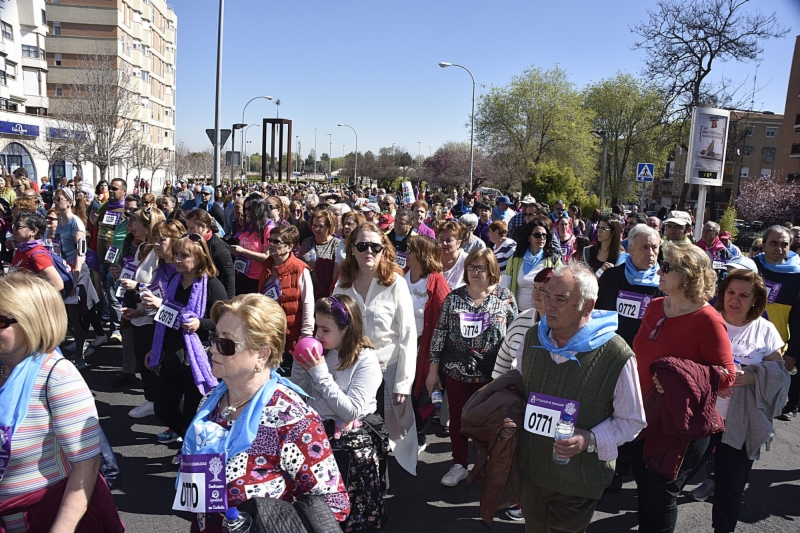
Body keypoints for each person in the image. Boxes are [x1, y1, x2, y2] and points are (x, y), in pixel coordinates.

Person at [183, 294, 349, 532]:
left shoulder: (291, 418)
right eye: (213, 338)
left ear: (261, 354)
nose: (212, 350)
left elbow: (334, 503)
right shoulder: (210, 403)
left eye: (226, 344)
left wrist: (271, 521)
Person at [514, 263, 646, 531]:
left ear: (588, 306)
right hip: (530, 473)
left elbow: (632, 420)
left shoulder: (615, 353)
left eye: (560, 299)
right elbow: (517, 391)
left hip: (578, 481)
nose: (549, 305)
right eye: (547, 295)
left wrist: (590, 439)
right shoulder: (532, 338)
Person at [0, 273, 124, 532]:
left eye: (0, 320)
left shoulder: (57, 377)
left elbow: (87, 467)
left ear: (31, 321)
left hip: (43, 518)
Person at [631, 242, 736, 533]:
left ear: (688, 276)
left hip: (679, 423)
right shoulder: (654, 306)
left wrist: (679, 376)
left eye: (666, 267)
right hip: (642, 413)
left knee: (662, 491)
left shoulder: (708, 320)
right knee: (644, 484)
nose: (659, 271)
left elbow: (727, 376)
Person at [687, 269, 789, 532]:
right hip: (699, 417)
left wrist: (754, 377)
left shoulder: (764, 330)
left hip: (740, 424)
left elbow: (780, 374)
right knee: (675, 476)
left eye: (744, 295)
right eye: (731, 292)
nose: (735, 300)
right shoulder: (707, 320)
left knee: (730, 488)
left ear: (756, 299)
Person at [290, 295, 386, 531]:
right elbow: (302, 397)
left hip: (350, 451)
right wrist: (301, 367)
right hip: (318, 441)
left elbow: (351, 410)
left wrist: (320, 372)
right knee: (319, 514)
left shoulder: (366, 360)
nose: (318, 335)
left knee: (350, 516)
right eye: (316, 328)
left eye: (325, 329)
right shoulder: (323, 351)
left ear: (346, 329)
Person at [428, 249, 517, 487]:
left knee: (491, 420)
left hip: (494, 372)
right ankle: (459, 463)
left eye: (482, 268)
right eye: (472, 267)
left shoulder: (505, 297)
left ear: (492, 271)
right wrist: (433, 370)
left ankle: (487, 463)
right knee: (458, 418)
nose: (476, 272)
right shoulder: (454, 298)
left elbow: (516, 336)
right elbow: (439, 334)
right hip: (458, 370)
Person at [334, 222, 418, 475]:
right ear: (352, 249)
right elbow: (336, 328)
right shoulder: (343, 283)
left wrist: (403, 383)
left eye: (375, 246)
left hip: (386, 370)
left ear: (384, 249)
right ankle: (367, 482)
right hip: (353, 371)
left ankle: (380, 481)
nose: (368, 251)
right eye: (362, 246)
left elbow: (407, 335)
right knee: (356, 429)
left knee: (386, 430)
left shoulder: (395, 283)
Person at [145, 233, 228, 465]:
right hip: (172, 352)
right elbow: (165, 318)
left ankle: (190, 449)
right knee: (162, 408)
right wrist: (155, 350)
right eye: (177, 254)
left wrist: (201, 323)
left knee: (193, 409)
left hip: (197, 356)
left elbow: (224, 319)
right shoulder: (173, 281)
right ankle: (190, 438)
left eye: (185, 255)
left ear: (199, 257)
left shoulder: (212, 284)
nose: (178, 259)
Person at [117, 207, 167, 417]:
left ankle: (158, 402)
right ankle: (151, 399)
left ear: (147, 226)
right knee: (141, 357)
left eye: (135, 221)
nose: (131, 225)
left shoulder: (158, 254)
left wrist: (136, 288)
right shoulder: (140, 248)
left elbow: (157, 288)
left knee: (151, 361)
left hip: (151, 316)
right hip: (139, 312)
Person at [405, 235, 451, 452]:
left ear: (422, 255)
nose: (407, 252)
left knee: (423, 391)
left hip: (425, 347)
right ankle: (405, 433)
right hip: (403, 346)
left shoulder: (436, 281)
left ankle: (420, 436)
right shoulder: (403, 276)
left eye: (411, 249)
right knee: (402, 391)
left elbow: (446, 319)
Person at [751, 226, 800, 421]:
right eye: (774, 243)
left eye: (784, 244)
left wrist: (792, 352)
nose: (779, 248)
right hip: (744, 343)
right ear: (763, 244)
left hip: (775, 349)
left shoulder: (797, 275)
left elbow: (798, 318)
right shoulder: (751, 267)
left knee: (764, 408)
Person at [257, 225, 314, 373]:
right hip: (270, 333)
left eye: (277, 242)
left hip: (292, 337)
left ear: (289, 247)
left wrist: (306, 334)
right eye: (270, 240)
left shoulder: (300, 269)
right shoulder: (267, 265)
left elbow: (308, 303)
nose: (271, 244)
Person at [492, 267, 553, 379]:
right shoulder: (520, 320)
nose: (536, 293)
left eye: (543, 290)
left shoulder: (563, 327)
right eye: (535, 287)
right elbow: (501, 366)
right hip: (515, 391)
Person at [506, 219, 562, 312]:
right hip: (517, 313)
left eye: (544, 235)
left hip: (543, 313)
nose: (542, 238)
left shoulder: (554, 260)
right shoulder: (515, 259)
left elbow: (560, 286)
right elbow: (506, 286)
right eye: (537, 235)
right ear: (528, 237)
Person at [9, 211, 64, 292]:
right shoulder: (21, 249)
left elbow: (58, 285)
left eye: (18, 226)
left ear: (34, 231)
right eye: (14, 225)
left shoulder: (38, 255)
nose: (13, 229)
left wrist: (31, 297)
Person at [185, 209, 235, 299]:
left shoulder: (219, 248)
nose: (188, 231)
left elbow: (229, 276)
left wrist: (229, 301)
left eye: (191, 228)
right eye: (187, 227)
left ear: (203, 226)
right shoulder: (193, 241)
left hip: (213, 294)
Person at [231, 195, 271, 295]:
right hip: (242, 274)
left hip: (257, 279)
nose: (245, 212)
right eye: (245, 209)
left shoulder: (268, 228)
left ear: (258, 209)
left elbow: (267, 257)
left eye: (249, 209)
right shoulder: (249, 225)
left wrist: (243, 251)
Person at [297, 209, 341, 300]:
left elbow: (338, 270)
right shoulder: (307, 242)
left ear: (329, 226)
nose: (316, 229)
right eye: (314, 225)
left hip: (325, 292)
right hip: (306, 289)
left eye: (320, 226)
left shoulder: (336, 244)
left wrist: (319, 265)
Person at [437, 220, 468, 290]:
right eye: (441, 239)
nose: (444, 243)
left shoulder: (467, 261)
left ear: (458, 243)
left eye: (448, 240)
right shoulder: (432, 258)